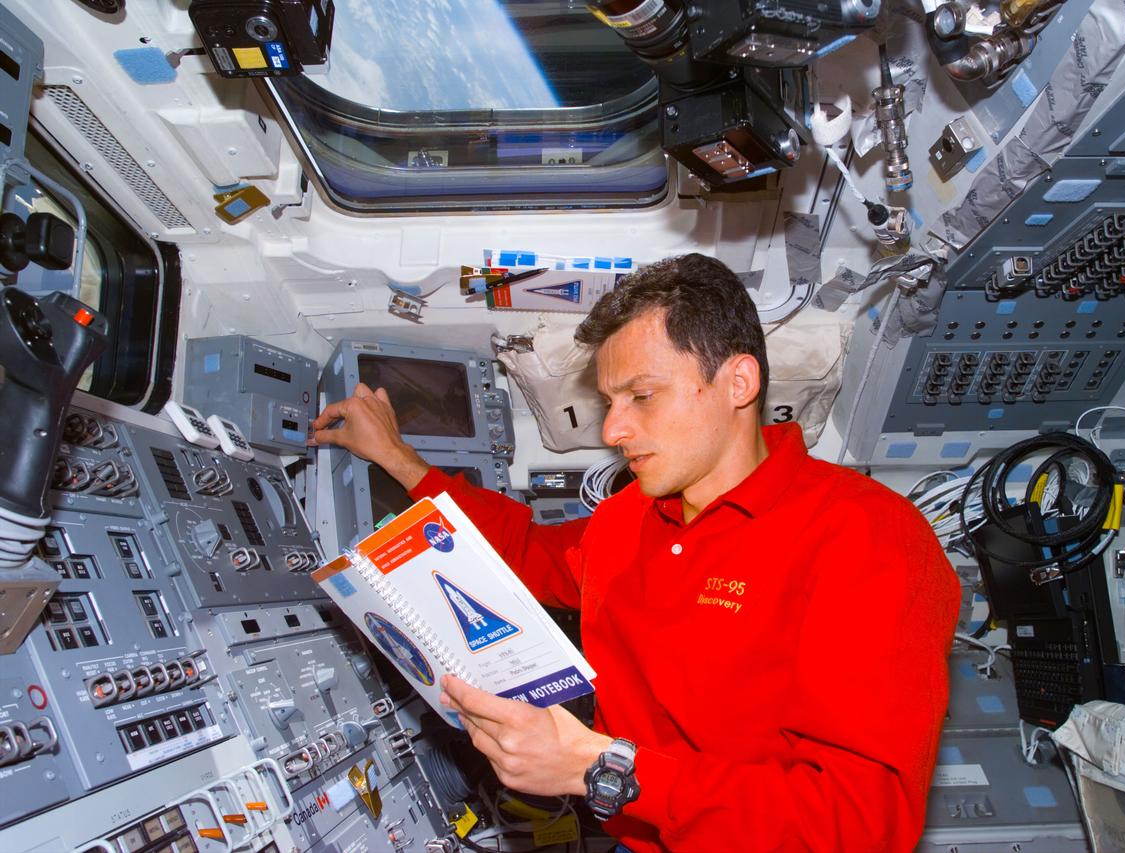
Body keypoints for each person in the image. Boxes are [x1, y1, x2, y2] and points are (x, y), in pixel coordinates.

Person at [312, 253, 960, 852]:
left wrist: (600, 767)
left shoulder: (869, 536)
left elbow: (860, 823)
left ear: (738, 381)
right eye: (609, 402)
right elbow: (526, 553)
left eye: (642, 396)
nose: (614, 429)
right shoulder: (628, 518)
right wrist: (397, 458)